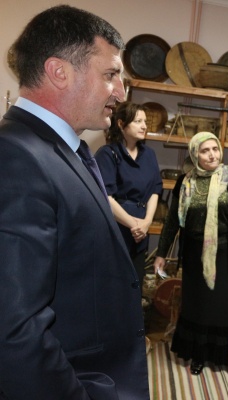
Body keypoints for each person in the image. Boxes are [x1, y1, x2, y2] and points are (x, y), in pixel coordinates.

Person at [0, 5, 149, 400]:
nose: (121, 92)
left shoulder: (64, 151)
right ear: (59, 72)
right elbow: (14, 329)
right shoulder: (15, 157)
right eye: (111, 75)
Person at [153, 131, 228, 374]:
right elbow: (172, 221)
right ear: (195, 155)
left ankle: (222, 356)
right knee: (198, 306)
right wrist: (161, 252)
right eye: (205, 151)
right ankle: (199, 355)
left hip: (227, 255)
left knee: (223, 308)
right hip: (194, 255)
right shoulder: (184, 182)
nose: (212, 155)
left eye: (215, 149)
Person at [95, 101, 163, 283]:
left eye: (145, 122)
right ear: (121, 124)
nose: (144, 126)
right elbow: (105, 197)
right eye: (138, 121)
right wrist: (134, 225)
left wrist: (147, 222)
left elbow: (155, 189)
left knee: (135, 283)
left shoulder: (149, 154)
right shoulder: (107, 154)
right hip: (116, 229)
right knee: (113, 284)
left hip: (141, 232)